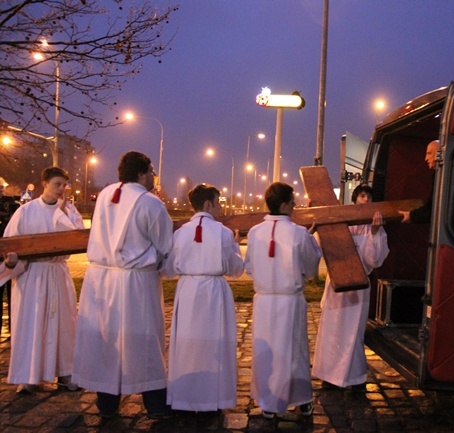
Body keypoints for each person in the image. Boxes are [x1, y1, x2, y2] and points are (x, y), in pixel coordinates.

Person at [72, 151, 174, 419]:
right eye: (151, 170)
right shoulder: (150, 204)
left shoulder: (106, 195)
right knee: (142, 339)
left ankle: (106, 402)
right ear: (141, 173)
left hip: (100, 280)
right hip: (135, 282)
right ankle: (155, 403)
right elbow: (165, 246)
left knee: (107, 340)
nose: (153, 175)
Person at [4, 167, 85, 393]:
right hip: (32, 275)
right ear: (45, 184)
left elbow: (77, 238)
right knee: (32, 325)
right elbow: (12, 244)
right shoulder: (25, 212)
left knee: (64, 325)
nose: (61, 189)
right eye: (57, 184)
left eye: (64, 185)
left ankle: (66, 373)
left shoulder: (70, 211)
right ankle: (28, 376)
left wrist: (63, 212)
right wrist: (11, 262)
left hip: (57, 272)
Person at [163, 184, 244, 413]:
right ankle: (212, 399)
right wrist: (236, 247)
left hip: (188, 290)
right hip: (214, 291)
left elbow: (168, 268)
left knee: (187, 343)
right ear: (208, 204)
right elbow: (236, 269)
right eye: (218, 203)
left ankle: (184, 397)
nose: (220, 208)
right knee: (213, 343)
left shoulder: (180, 232)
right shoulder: (224, 233)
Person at [244, 182, 321, 419]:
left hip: (265, 301)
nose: (296, 205)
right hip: (290, 300)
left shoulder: (255, 232)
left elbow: (249, 268)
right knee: (294, 352)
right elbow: (311, 267)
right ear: (284, 204)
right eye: (293, 200)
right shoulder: (299, 233)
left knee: (266, 353)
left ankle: (268, 402)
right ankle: (301, 400)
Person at [312, 184, 389, 391]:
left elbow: (374, 260)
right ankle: (329, 375)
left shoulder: (374, 226)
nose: (365, 200)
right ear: (354, 200)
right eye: (362, 196)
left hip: (358, 286)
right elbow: (319, 246)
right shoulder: (341, 222)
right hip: (336, 286)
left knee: (353, 335)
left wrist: (374, 232)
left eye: (369, 197)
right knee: (332, 332)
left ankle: (354, 378)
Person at [398, 139, 439, 223]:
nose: (426, 158)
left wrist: (412, 216)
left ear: (439, 154)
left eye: (429, 153)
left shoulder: (442, 176)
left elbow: (433, 207)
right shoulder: (439, 175)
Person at [0, 177, 20, 336]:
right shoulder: (13, 206)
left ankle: (15, 331)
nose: (1, 189)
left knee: (14, 296)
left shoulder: (14, 206)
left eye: (2, 187)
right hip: (6, 258)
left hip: (12, 258)